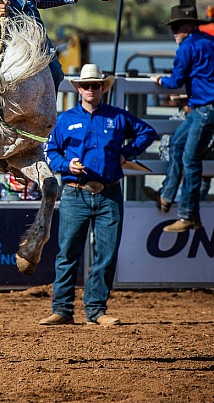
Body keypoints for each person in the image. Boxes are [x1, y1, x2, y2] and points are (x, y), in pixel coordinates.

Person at [41, 64, 157, 326]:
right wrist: (65, 166)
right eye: (86, 85)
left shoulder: (117, 118)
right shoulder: (66, 120)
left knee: (106, 253)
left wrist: (127, 153)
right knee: (68, 253)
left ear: (102, 88)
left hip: (108, 192)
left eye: (95, 85)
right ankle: (62, 309)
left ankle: (95, 310)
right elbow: (52, 151)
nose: (91, 89)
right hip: (75, 191)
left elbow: (147, 132)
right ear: (79, 89)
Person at [150, 4, 214, 232]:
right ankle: (166, 196)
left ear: (189, 26)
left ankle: (188, 214)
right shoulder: (208, 42)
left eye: (177, 26)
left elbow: (175, 80)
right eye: (173, 27)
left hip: (204, 107)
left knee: (191, 159)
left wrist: (160, 81)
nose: (174, 31)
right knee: (177, 144)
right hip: (202, 107)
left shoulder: (187, 48)